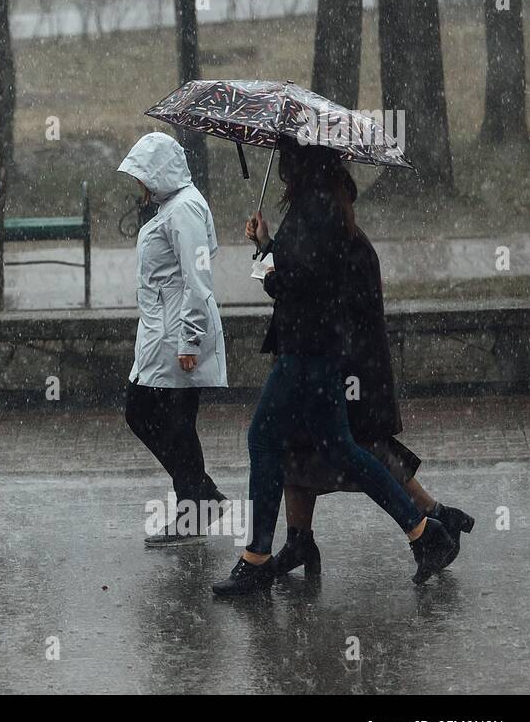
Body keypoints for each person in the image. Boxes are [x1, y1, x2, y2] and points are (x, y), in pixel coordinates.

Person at [211, 139, 459, 596]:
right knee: (341, 450)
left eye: (287, 156)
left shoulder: (315, 210)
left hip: (306, 349)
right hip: (319, 347)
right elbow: (306, 269)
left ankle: (256, 559)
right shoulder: (323, 205)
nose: (282, 165)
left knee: (263, 439)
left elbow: (305, 283)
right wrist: (265, 244)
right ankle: (426, 534)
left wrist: (269, 275)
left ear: (300, 163)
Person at [273, 169, 474, 575]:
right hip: (337, 362)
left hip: (343, 367)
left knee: (360, 452)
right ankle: (300, 540)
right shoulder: (340, 237)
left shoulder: (344, 244)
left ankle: (429, 523)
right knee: (301, 446)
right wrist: (269, 250)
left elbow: (321, 299)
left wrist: (279, 281)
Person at [118, 132, 229, 546]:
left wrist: (189, 341)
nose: (139, 187)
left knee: (158, 417)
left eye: (142, 177)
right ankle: (200, 497)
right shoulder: (175, 205)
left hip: (176, 338)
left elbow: (198, 280)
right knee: (165, 420)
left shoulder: (182, 209)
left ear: (159, 172)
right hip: (162, 334)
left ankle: (196, 504)